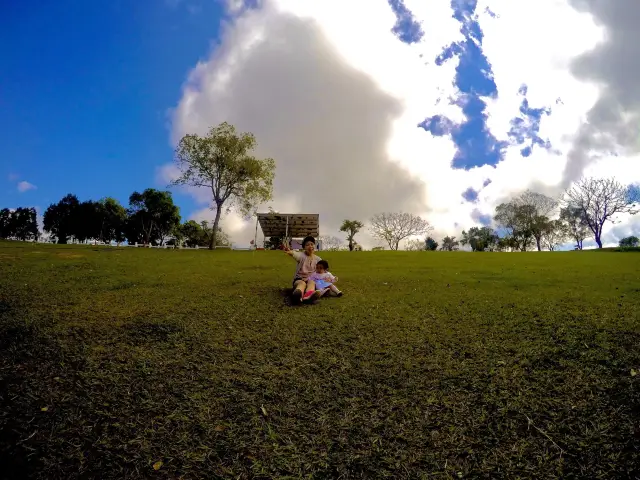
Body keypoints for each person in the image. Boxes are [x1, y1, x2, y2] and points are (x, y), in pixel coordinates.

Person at [283, 236, 323, 304]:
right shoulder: (301, 256)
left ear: (314, 246)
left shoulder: (318, 259)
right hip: (299, 279)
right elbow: (295, 254)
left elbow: (322, 271)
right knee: (302, 283)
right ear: (304, 248)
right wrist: (290, 252)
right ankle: (297, 296)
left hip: (310, 279)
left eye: (312, 244)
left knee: (312, 283)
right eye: (307, 245)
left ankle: (307, 297)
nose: (310, 246)